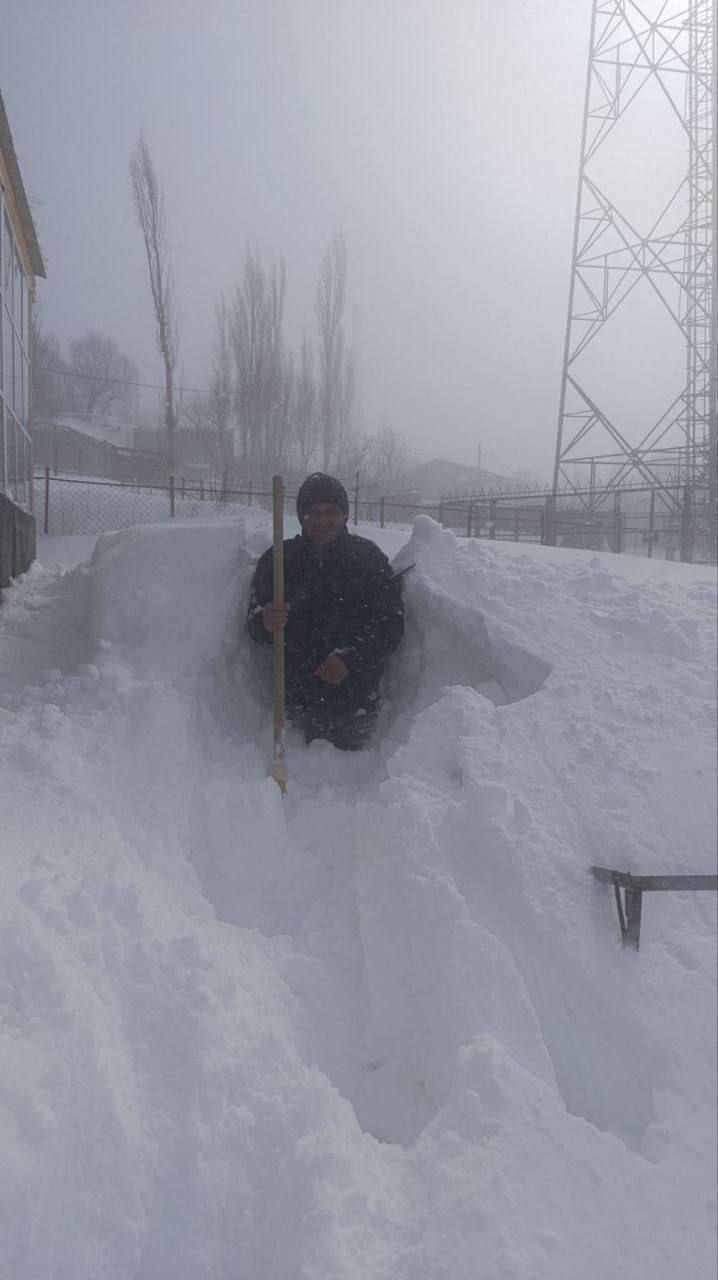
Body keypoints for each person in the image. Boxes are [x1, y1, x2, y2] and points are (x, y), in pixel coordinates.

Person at [247, 473, 404, 750]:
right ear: (301, 516)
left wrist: (350, 660)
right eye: (313, 512)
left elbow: (390, 625)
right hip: (295, 703)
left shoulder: (368, 560)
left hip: (355, 703)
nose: (321, 520)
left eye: (331, 511)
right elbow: (253, 623)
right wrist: (265, 621)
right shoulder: (280, 561)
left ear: (345, 515)